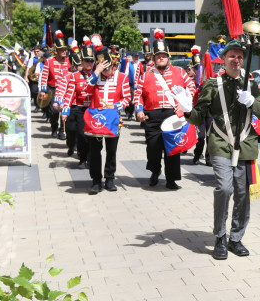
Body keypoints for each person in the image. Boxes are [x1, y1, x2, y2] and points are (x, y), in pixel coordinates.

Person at [185, 40, 260, 260]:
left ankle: (236, 238)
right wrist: (186, 110)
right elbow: (198, 116)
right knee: (224, 189)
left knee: (243, 195)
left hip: (245, 145)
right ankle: (220, 236)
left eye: (240, 57)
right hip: (221, 143)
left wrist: (252, 101)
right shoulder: (213, 84)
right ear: (224, 59)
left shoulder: (251, 84)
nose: (237, 60)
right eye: (232, 56)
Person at [134, 29, 196, 190]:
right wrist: (139, 110)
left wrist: (183, 104)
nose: (161, 58)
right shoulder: (146, 75)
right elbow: (138, 95)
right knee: (153, 148)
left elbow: (192, 88)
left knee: (173, 149)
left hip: (173, 114)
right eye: (158, 56)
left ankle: (171, 179)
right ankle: (155, 171)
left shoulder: (180, 72)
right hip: (152, 116)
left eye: (164, 55)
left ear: (168, 57)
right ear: (154, 58)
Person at [83, 44, 131, 194]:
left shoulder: (121, 78)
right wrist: (96, 72)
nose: (106, 71)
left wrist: (115, 106)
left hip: (113, 119)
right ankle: (96, 180)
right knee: (95, 151)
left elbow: (127, 99)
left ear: (112, 64)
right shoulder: (94, 77)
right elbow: (85, 90)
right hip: (95, 119)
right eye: (102, 68)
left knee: (111, 150)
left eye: (107, 67)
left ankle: (109, 179)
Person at [60, 38, 95, 167]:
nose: (89, 63)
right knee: (81, 134)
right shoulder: (75, 76)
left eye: (91, 61)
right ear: (82, 61)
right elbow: (69, 94)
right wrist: (65, 111)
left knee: (93, 136)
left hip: (93, 109)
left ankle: (91, 158)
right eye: (86, 60)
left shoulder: (97, 75)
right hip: (80, 109)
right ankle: (82, 158)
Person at [38, 31, 71, 139]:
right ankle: (54, 127)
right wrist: (43, 90)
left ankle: (62, 130)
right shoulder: (49, 61)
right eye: (61, 49)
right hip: (52, 89)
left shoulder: (68, 61)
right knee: (54, 110)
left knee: (64, 110)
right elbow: (44, 76)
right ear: (56, 50)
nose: (64, 51)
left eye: (65, 49)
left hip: (64, 90)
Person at [188, 46, 210, 166]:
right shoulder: (191, 82)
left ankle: (208, 158)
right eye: (196, 68)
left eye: (199, 68)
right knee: (201, 136)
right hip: (198, 111)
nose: (198, 70)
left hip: (210, 111)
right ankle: (197, 155)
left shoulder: (209, 79)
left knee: (210, 136)